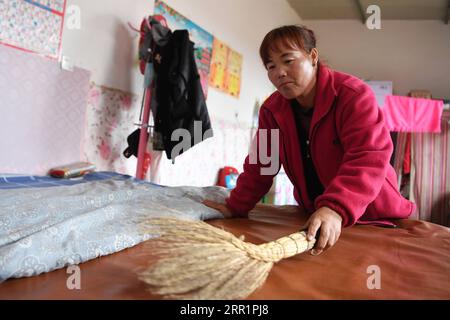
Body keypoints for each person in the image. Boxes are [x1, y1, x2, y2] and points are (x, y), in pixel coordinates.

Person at [203, 25, 415, 256]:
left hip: (373, 217)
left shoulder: (352, 96)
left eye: (288, 60)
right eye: (271, 66)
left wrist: (335, 208)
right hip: (315, 215)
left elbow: (367, 158)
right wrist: (235, 206)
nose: (279, 72)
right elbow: (263, 165)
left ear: (312, 57)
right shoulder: (272, 110)